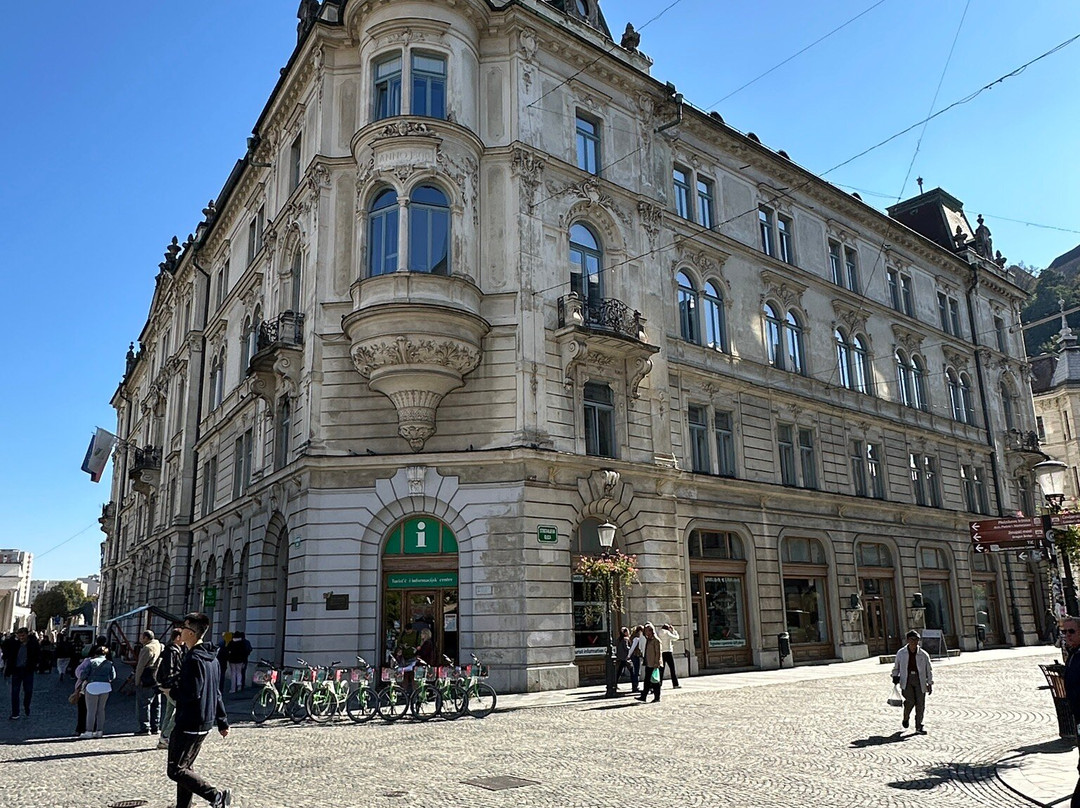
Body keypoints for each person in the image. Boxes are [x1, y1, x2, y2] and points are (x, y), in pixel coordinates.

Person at [168, 612, 232, 808]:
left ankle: (215, 796)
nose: (180, 631)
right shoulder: (212, 658)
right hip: (205, 721)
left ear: (191, 632)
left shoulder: (194, 658)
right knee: (186, 767)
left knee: (176, 770)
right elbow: (217, 692)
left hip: (190, 720)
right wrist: (222, 721)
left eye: (184, 627)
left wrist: (171, 691)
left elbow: (191, 693)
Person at [891, 629, 933, 734]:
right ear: (907, 640)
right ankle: (906, 717)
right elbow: (896, 666)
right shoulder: (901, 653)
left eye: (916, 639)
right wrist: (895, 676)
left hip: (920, 680)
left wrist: (930, 683)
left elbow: (929, 670)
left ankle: (919, 726)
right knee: (910, 701)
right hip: (907, 679)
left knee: (920, 703)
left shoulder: (923, 654)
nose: (914, 642)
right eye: (912, 639)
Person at [76, 644, 115, 738]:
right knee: (101, 710)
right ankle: (99, 731)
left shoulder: (91, 662)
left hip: (92, 686)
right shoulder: (109, 663)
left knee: (91, 710)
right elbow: (113, 676)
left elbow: (83, 676)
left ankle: (89, 731)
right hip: (105, 686)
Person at [157, 627, 185, 750]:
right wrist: (168, 686)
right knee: (181, 709)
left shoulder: (173, 649)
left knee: (169, 711)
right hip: (171, 686)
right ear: (178, 637)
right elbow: (170, 670)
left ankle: (163, 739)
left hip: (170, 685)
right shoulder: (172, 651)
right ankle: (165, 736)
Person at [4, 627, 40, 719]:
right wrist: (8, 670)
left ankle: (26, 706)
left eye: (23, 635)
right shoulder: (15, 644)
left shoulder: (33, 644)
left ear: (27, 635)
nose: (21, 637)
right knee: (15, 692)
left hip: (28, 670)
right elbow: (8, 653)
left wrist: (35, 665)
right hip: (16, 670)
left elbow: (37, 655)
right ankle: (15, 713)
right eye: (19, 636)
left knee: (28, 691)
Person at [135, 630, 164, 736]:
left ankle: (145, 727)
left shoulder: (147, 648)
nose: (140, 639)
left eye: (142, 637)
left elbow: (140, 666)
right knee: (157, 704)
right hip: (157, 678)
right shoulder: (159, 645)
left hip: (147, 678)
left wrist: (137, 680)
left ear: (146, 638)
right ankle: (155, 726)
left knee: (144, 704)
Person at [636, 623, 663, 703]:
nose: (645, 632)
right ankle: (643, 696)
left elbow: (658, 652)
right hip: (648, 663)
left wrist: (656, 663)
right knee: (647, 681)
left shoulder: (656, 640)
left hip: (654, 664)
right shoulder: (648, 640)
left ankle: (657, 697)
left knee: (655, 682)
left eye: (647, 631)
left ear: (651, 631)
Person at [657, 623, 681, 688]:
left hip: (661, 652)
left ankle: (659, 684)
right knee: (672, 669)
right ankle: (675, 684)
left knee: (661, 669)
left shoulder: (658, 633)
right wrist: (673, 630)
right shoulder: (667, 633)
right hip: (668, 652)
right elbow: (676, 637)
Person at [626, 625, 645, 693]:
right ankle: (635, 686)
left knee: (636, 671)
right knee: (636, 671)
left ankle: (635, 686)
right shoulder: (636, 638)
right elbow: (632, 648)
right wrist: (628, 655)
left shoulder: (633, 637)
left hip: (634, 655)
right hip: (635, 656)